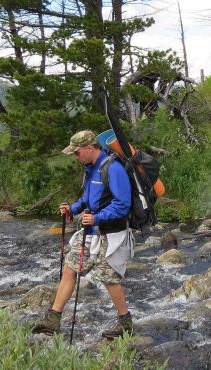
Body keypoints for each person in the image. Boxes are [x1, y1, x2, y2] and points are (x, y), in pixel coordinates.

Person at [31, 130, 136, 339]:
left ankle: (126, 323)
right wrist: (72, 209)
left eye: (77, 153)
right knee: (70, 268)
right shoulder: (90, 168)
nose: (75, 157)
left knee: (109, 279)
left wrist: (97, 218)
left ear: (90, 148)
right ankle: (54, 319)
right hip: (91, 230)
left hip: (111, 232)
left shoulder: (113, 168)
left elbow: (123, 204)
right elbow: (88, 198)